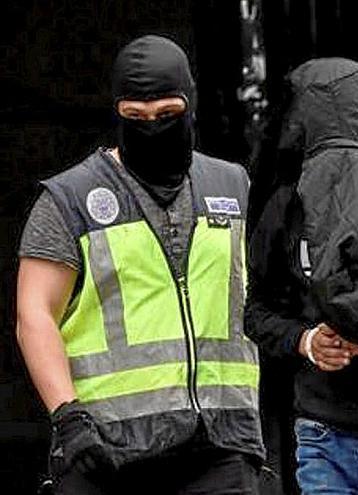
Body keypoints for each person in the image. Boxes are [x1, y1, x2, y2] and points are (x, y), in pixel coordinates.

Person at [15, 35, 263, 494]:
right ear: (117, 113)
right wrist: (67, 416)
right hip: (107, 451)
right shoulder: (70, 201)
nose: (152, 128)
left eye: (167, 116)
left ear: (190, 106)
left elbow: (270, 292)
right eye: (135, 117)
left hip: (221, 444)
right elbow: (34, 314)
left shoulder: (234, 187)